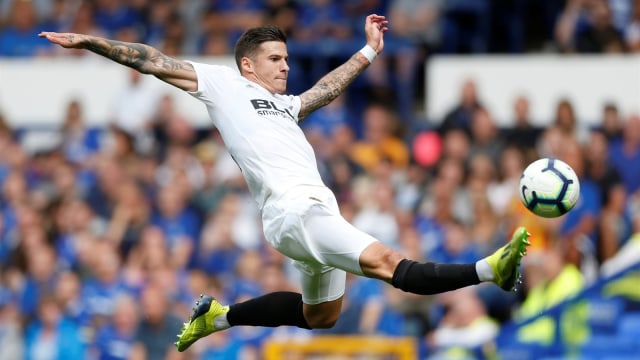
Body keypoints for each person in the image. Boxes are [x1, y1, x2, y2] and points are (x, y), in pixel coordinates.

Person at [39, 14, 531, 353]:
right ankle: (491, 270)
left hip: (309, 214)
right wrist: (92, 43)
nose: (286, 66)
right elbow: (152, 59)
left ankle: (219, 317)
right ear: (248, 65)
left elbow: (325, 89)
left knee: (322, 318)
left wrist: (367, 51)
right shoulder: (224, 85)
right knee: (388, 262)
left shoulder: (285, 106)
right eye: (275, 58)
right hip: (296, 210)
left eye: (287, 58)